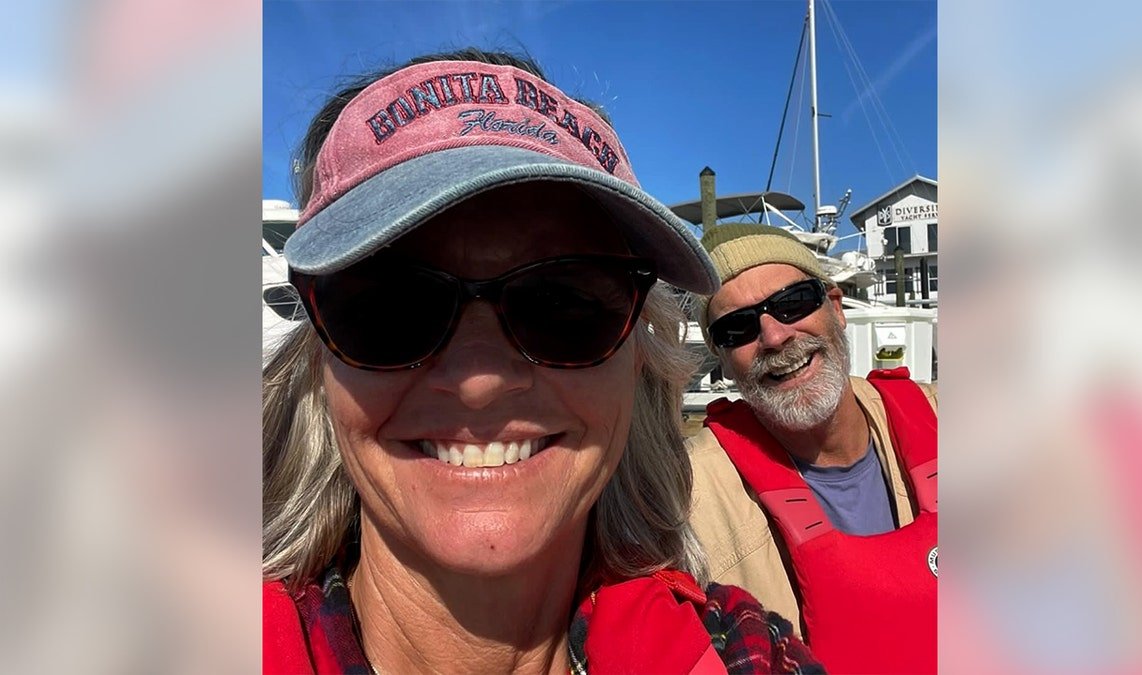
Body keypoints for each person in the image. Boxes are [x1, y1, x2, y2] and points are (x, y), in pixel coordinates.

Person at [262, 49, 825, 675]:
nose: (479, 380)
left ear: (640, 361)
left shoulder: (746, 655)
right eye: (392, 307)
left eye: (565, 304)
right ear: (320, 365)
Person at [687, 223, 937, 674]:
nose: (776, 337)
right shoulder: (686, 497)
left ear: (836, 307)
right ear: (720, 356)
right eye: (738, 327)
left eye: (792, 303)